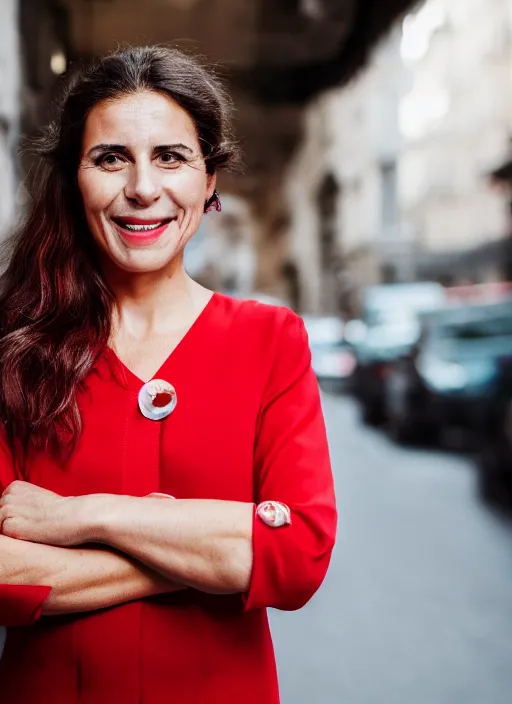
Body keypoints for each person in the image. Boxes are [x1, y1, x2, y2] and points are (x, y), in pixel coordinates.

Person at [0, 46, 337, 703]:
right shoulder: (12, 345)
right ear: (75, 178)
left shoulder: (271, 342)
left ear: (210, 180)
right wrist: (207, 555)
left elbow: (296, 557)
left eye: (171, 157)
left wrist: (83, 516)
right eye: (111, 158)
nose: (143, 189)